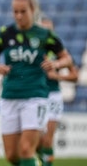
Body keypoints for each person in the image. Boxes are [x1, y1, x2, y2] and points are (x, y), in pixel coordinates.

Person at [0, 0, 72, 166]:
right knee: (12, 155)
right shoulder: (5, 33)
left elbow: (67, 58)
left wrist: (56, 65)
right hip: (9, 95)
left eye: (23, 11)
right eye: (15, 11)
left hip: (35, 96)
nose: (18, 16)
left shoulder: (44, 35)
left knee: (26, 149)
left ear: (33, 10)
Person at [37, 15, 78, 166]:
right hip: (35, 96)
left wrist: (56, 76)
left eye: (49, 30)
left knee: (47, 140)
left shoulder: (59, 52)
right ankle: (39, 160)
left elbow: (75, 76)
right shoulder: (34, 50)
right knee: (35, 141)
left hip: (53, 95)